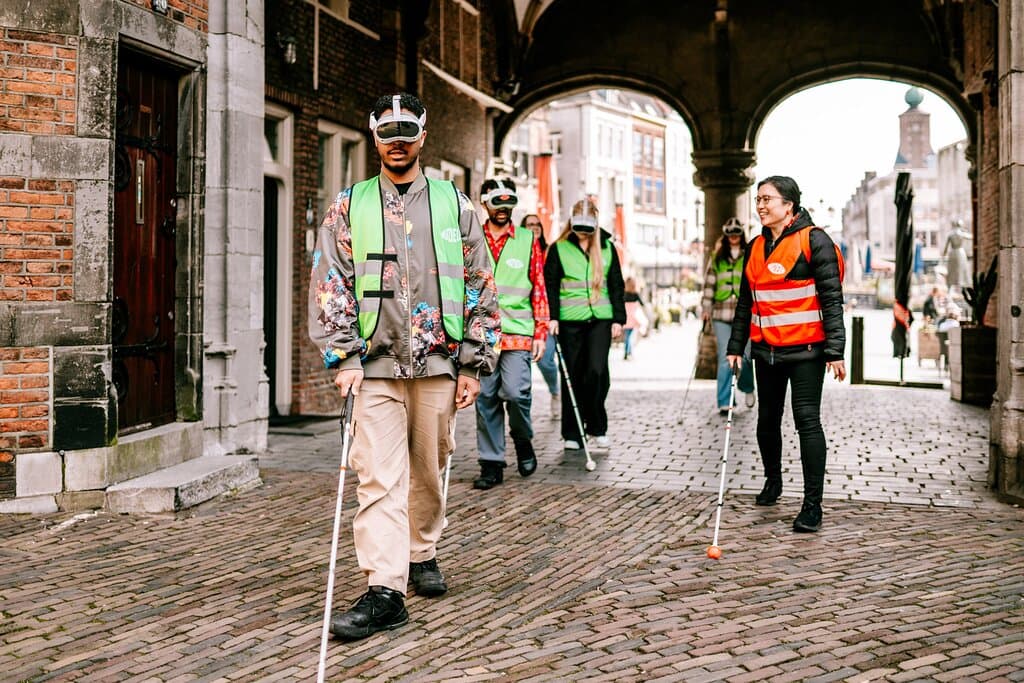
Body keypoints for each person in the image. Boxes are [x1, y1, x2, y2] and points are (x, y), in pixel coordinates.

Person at [308, 93, 500, 641]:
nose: (397, 141)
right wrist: (342, 355)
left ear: (422, 134)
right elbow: (331, 281)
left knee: (429, 467)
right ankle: (385, 589)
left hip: (440, 364)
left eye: (406, 132)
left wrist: (473, 364)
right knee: (377, 478)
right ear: (373, 136)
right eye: (387, 132)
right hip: (374, 365)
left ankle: (423, 550)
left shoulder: (456, 205)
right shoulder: (349, 206)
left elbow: (480, 284)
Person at [727, 176, 846, 534]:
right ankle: (772, 481)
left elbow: (831, 299)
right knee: (767, 421)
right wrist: (736, 347)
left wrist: (835, 351)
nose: (761, 205)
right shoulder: (754, 247)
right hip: (767, 352)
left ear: (789, 206)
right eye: (758, 199)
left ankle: (812, 505)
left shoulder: (815, 241)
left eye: (767, 199)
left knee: (807, 421)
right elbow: (746, 302)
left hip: (806, 352)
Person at [472, 180, 549, 490]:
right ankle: (491, 463)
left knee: (516, 394)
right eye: (496, 203)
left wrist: (541, 330)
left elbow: (539, 285)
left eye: (509, 204)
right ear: (484, 203)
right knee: (486, 398)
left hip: (518, 331)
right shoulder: (472, 237)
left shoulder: (527, 239)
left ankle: (522, 438)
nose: (503, 210)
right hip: (481, 332)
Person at [544, 199, 626, 450]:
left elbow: (616, 285)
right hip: (569, 321)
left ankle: (597, 426)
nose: (582, 233)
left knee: (597, 373)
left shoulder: (608, 248)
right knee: (572, 376)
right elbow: (551, 286)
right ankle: (573, 433)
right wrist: (553, 317)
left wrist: (618, 319)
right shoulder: (559, 248)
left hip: (600, 319)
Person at [701, 218, 756, 413]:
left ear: (741, 235)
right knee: (726, 357)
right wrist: (706, 309)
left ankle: (748, 387)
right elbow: (709, 285)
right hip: (721, 314)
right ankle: (726, 400)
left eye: (737, 233)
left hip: (745, 314)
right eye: (730, 234)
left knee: (747, 356)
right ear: (726, 236)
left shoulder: (749, 255)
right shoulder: (717, 258)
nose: (733, 237)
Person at [523, 213, 561, 417]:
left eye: (537, 224)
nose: (534, 227)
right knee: (522, 366)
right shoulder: (518, 251)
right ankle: (523, 407)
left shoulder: (549, 252)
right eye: (529, 224)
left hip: (545, 316)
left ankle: (556, 392)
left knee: (546, 360)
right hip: (521, 316)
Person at [622, 277, 648, 360]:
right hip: (633, 317)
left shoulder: (624, 294)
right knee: (630, 336)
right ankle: (628, 352)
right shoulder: (635, 294)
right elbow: (643, 304)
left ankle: (627, 352)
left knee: (627, 336)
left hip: (626, 317)